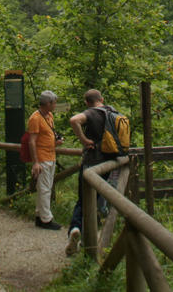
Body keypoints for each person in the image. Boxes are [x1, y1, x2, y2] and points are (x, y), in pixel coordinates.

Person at [64, 88, 118, 255]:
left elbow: (74, 120)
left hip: (91, 163)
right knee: (95, 200)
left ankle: (75, 229)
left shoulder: (91, 113)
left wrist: (84, 139)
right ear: (101, 98)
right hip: (109, 163)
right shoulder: (114, 113)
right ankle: (91, 238)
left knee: (83, 199)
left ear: (87, 102)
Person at [27, 90, 63, 230]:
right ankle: (46, 219)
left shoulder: (49, 116)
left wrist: (56, 142)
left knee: (45, 187)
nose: (55, 105)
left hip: (51, 155)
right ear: (48, 103)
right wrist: (35, 162)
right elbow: (32, 141)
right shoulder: (35, 118)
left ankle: (39, 216)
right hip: (42, 158)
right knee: (44, 189)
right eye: (54, 103)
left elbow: (47, 136)